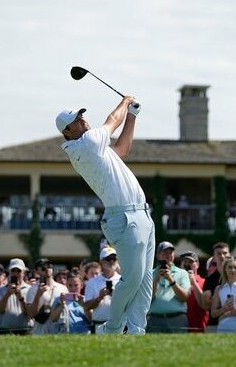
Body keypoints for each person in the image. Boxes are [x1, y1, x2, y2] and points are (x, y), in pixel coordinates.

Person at [55, 97, 155, 335]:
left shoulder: (95, 148)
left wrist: (132, 116)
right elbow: (112, 120)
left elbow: (121, 150)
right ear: (67, 132)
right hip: (124, 217)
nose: (83, 120)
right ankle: (112, 328)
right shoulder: (86, 144)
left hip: (141, 213)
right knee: (132, 279)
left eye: (81, 116)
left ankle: (137, 331)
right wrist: (125, 101)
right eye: (77, 120)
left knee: (144, 279)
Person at [147, 241, 190, 333]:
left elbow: (184, 297)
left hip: (177, 319)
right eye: (164, 253)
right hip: (155, 318)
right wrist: (156, 280)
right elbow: (147, 299)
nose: (168, 255)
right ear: (158, 256)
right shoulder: (150, 274)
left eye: (170, 252)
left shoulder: (182, 273)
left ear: (174, 255)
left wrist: (171, 280)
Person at [84, 247, 121, 332]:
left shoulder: (122, 280)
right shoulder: (92, 282)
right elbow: (87, 307)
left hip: (119, 325)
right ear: (101, 262)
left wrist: (116, 296)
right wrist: (99, 297)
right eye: (108, 259)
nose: (112, 261)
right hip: (99, 325)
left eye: (114, 258)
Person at [27, 258, 68, 335]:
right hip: (41, 330)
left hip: (59, 330)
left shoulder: (62, 288)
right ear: (36, 271)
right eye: (43, 267)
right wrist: (38, 295)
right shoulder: (33, 289)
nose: (47, 269)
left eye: (49, 266)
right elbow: (31, 314)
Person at [211, 258, 236, 333]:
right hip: (222, 327)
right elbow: (213, 313)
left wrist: (225, 314)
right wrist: (224, 309)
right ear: (225, 269)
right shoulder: (219, 289)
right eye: (230, 267)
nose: (233, 270)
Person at [0, 258, 31, 335]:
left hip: (25, 330)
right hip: (4, 330)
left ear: (24, 273)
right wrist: (7, 294)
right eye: (13, 270)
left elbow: (29, 313)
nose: (16, 273)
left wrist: (20, 297)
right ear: (9, 272)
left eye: (18, 271)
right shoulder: (0, 289)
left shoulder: (30, 289)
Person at [200, 242, 231, 332]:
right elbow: (205, 304)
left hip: (235, 322)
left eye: (225, 253)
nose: (222, 256)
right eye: (219, 253)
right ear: (214, 257)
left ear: (229, 255)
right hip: (214, 324)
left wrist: (216, 299)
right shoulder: (209, 279)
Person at [179, 251, 208, 332]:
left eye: (191, 262)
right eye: (185, 262)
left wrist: (194, 282)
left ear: (197, 265)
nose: (188, 265)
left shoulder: (204, 282)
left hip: (199, 327)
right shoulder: (175, 282)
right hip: (180, 327)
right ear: (181, 265)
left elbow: (204, 304)